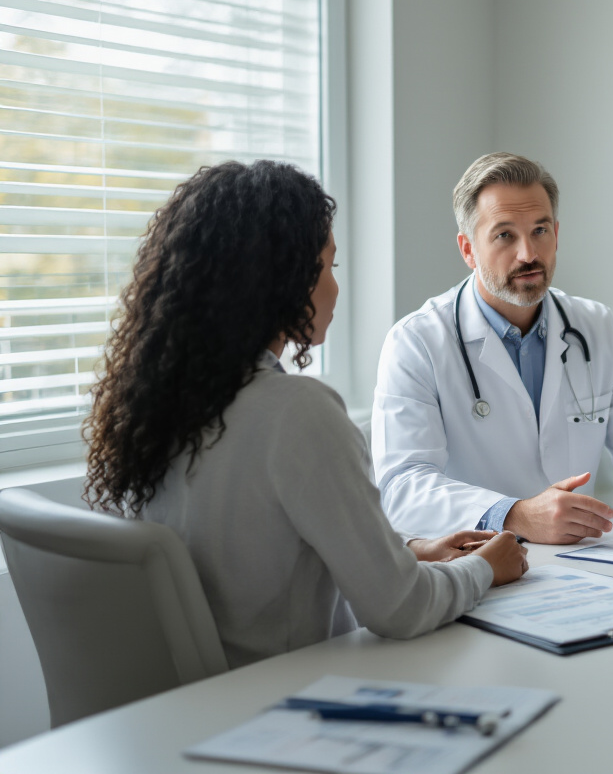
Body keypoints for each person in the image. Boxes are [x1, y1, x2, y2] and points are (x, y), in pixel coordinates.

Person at [83, 160, 527, 669]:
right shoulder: (297, 411)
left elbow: (265, 548)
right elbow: (401, 609)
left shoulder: (164, 407)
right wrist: (485, 569)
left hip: (195, 710)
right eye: (328, 267)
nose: (335, 287)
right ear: (281, 279)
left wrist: (408, 550)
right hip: (285, 700)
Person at [372, 152, 613, 544]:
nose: (528, 254)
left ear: (557, 233)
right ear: (468, 250)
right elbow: (403, 487)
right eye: (504, 235)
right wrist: (513, 515)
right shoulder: (417, 342)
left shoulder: (596, 327)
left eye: (540, 230)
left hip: (579, 565)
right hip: (475, 566)